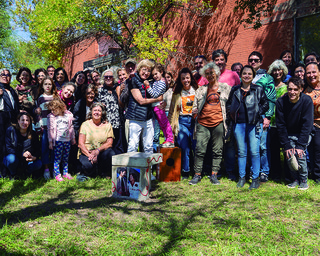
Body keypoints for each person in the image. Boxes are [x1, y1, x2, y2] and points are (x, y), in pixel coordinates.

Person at [227, 65, 269, 189]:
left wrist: (258, 111)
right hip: (238, 124)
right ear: (241, 75)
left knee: (255, 152)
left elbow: (265, 103)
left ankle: (255, 179)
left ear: (253, 75)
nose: (246, 76)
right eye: (244, 73)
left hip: (254, 124)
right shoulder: (235, 89)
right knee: (241, 152)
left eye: (249, 74)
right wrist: (231, 113)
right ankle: (242, 177)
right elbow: (229, 104)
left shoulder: (258, 89)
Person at [189, 62, 231, 185]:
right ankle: (197, 174)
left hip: (219, 122)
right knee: (199, 150)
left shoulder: (225, 88)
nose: (210, 75)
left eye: (211, 73)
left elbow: (230, 105)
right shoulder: (201, 90)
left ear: (217, 73)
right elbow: (194, 107)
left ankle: (214, 175)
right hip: (203, 123)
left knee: (217, 150)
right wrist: (195, 113)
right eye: (207, 74)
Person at [276, 77, 313, 190]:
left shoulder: (307, 101)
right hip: (288, 133)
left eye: (295, 89)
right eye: (290, 89)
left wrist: (301, 145)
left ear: (301, 89)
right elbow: (280, 125)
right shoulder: (281, 102)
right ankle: (295, 179)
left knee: (299, 154)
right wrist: (287, 145)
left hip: (304, 133)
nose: (292, 92)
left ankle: (303, 180)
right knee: (289, 155)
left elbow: (307, 125)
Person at [248, 51, 276, 182]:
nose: (253, 62)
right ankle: (253, 170)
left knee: (263, 145)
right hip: (248, 117)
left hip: (263, 115)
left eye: (256, 60)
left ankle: (264, 171)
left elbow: (271, 99)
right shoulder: (246, 75)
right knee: (251, 145)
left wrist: (268, 117)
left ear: (261, 62)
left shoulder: (267, 78)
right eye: (251, 60)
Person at [126, 59, 163, 155]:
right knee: (133, 145)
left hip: (148, 118)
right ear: (139, 69)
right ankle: (131, 169)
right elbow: (141, 101)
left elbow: (160, 94)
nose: (146, 73)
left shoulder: (151, 82)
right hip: (135, 117)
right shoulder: (133, 81)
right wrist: (157, 99)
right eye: (144, 69)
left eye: (148, 71)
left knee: (148, 145)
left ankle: (148, 169)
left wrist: (162, 102)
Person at [168, 68, 198, 178]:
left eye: (187, 78)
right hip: (182, 121)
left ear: (191, 78)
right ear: (180, 80)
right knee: (185, 147)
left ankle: (197, 171)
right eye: (183, 78)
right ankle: (186, 170)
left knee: (196, 147)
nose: (186, 80)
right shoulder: (176, 94)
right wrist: (171, 128)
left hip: (195, 122)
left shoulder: (197, 90)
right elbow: (171, 112)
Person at [78, 102, 115, 178]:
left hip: (101, 152)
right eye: (95, 110)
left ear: (102, 113)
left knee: (110, 154)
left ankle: (103, 172)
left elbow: (109, 143)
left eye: (99, 110)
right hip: (87, 152)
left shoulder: (107, 125)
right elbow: (80, 144)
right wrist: (90, 155)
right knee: (88, 166)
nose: (97, 112)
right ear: (91, 112)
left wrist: (97, 151)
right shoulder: (85, 124)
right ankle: (91, 171)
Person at [267, 60, 289, 181]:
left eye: (279, 69)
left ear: (283, 71)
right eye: (274, 70)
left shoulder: (286, 87)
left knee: (286, 149)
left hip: (282, 122)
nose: (277, 72)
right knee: (273, 150)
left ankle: (287, 175)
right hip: (270, 122)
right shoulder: (268, 86)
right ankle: (275, 174)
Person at [144, 63, 174, 147]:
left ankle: (170, 139)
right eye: (153, 75)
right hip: (155, 106)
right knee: (161, 124)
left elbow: (155, 94)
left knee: (165, 123)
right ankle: (167, 139)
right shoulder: (156, 82)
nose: (154, 76)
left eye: (156, 74)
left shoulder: (161, 82)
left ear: (161, 72)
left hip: (158, 106)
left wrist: (147, 87)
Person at [34, 76, 59, 179]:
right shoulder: (40, 98)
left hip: (55, 128)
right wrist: (38, 127)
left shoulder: (56, 97)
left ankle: (54, 169)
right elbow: (38, 114)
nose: (47, 86)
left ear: (52, 85)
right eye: (45, 84)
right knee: (45, 149)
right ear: (42, 86)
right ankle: (46, 169)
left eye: (49, 84)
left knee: (54, 149)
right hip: (45, 128)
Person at [4, 112, 42, 178]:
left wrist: (34, 157)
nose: (25, 122)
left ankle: (26, 172)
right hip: (15, 158)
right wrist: (22, 154)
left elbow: (38, 149)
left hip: (27, 160)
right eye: (22, 120)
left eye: (27, 120)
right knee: (11, 159)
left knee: (39, 163)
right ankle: (13, 173)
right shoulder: (11, 131)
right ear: (18, 121)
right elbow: (8, 149)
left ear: (30, 122)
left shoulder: (33, 134)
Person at [47, 99, 76, 181]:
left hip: (67, 140)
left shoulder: (68, 116)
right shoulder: (52, 117)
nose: (52, 111)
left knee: (66, 158)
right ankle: (57, 174)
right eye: (51, 110)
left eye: (54, 109)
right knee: (57, 158)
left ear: (60, 107)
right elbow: (50, 130)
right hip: (58, 141)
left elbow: (71, 127)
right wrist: (50, 142)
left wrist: (73, 138)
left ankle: (65, 173)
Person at [97, 69, 126, 154]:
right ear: (103, 78)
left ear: (114, 78)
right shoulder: (100, 91)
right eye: (106, 77)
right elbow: (94, 103)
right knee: (107, 146)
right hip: (106, 122)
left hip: (118, 122)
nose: (108, 78)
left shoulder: (117, 88)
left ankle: (119, 165)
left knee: (118, 145)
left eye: (110, 76)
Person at [0, 68, 20, 177]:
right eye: (2, 74)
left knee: (11, 144)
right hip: (1, 120)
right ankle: (2, 172)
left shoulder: (12, 90)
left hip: (12, 120)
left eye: (8, 74)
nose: (5, 76)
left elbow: (16, 106)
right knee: (1, 145)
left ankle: (12, 170)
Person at [304, 62, 320, 183]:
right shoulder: (304, 90)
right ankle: (317, 175)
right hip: (312, 125)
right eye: (308, 72)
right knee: (315, 150)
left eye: (314, 72)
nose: (311, 75)